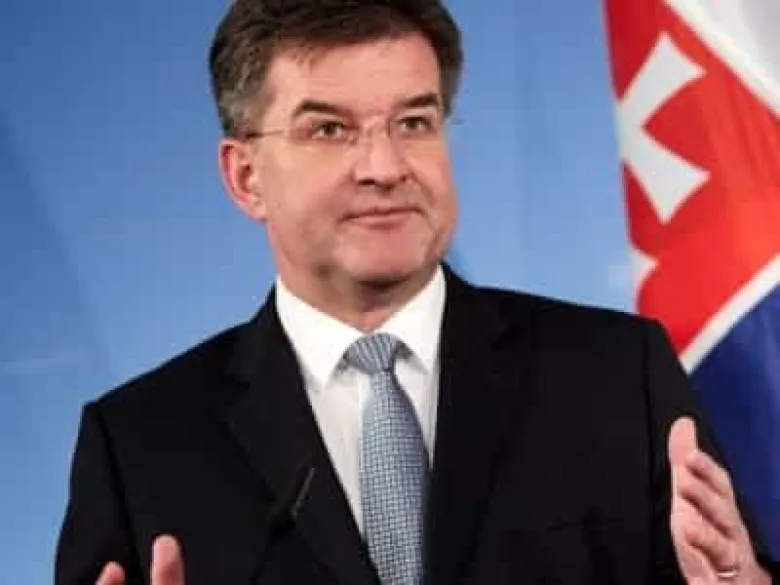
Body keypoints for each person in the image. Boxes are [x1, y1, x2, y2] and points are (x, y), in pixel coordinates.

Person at [55, 1, 778, 584]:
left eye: (413, 122)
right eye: (330, 129)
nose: (385, 165)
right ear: (246, 177)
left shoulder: (617, 374)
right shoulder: (140, 445)